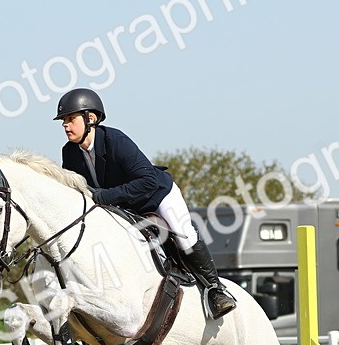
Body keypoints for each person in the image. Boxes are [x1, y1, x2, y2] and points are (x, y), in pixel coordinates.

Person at [54, 88, 237, 319]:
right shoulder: (70, 153)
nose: (65, 125)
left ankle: (216, 290)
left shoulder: (115, 141)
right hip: (123, 207)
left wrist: (104, 196)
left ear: (90, 119)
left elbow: (147, 181)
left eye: (71, 119)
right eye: (63, 121)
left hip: (157, 195)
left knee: (184, 234)